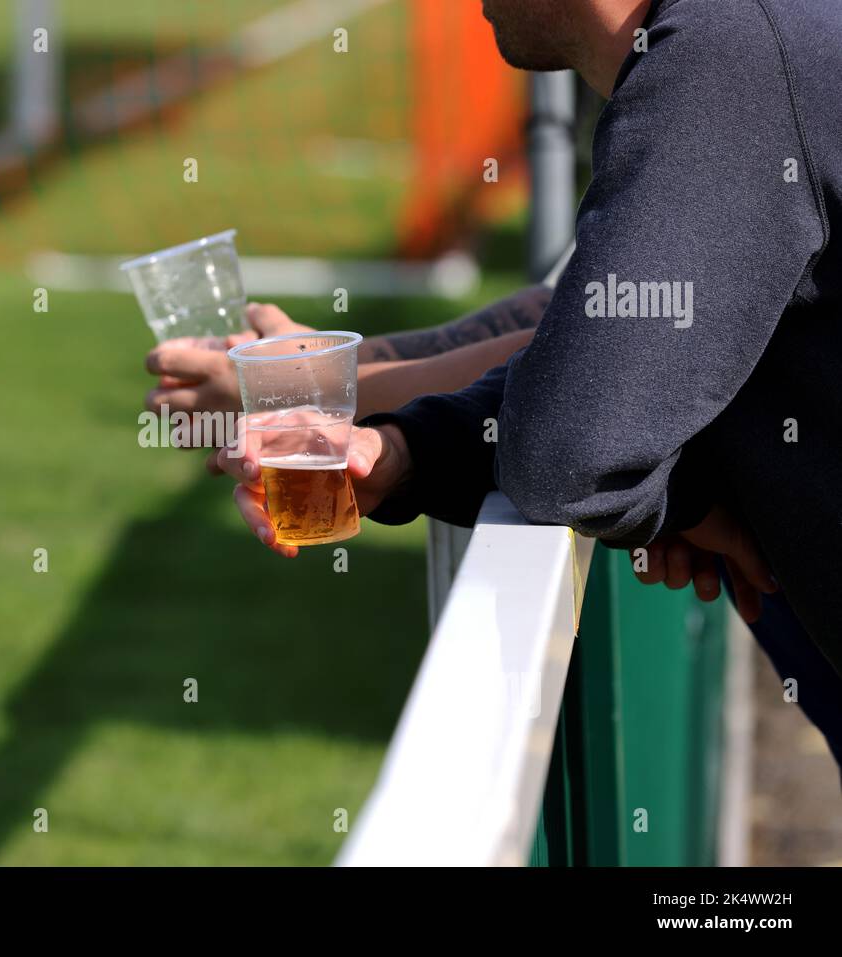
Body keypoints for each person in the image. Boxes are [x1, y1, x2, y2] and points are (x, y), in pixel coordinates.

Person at [206, 0, 842, 764]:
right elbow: (592, 326)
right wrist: (405, 446)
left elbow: (571, 452)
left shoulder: (731, 50)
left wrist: (684, 485)